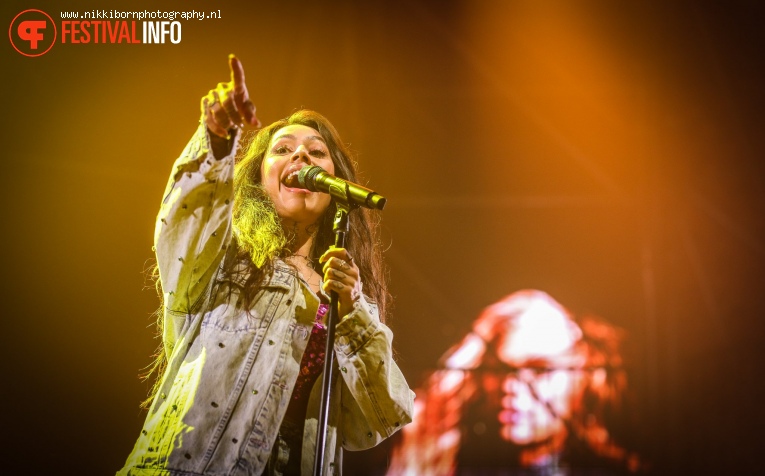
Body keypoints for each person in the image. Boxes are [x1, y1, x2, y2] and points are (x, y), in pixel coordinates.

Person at [118, 55, 414, 476]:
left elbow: (378, 418)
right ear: (259, 177)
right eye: (283, 150)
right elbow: (185, 224)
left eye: (316, 152)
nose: (301, 158)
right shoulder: (225, 259)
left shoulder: (344, 295)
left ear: (335, 181)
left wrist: (352, 312)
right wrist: (218, 139)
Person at [386, 290, 642, 475]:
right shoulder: (465, 462)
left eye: (540, 370)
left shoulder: (612, 468)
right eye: (501, 369)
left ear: (586, 375)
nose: (512, 386)